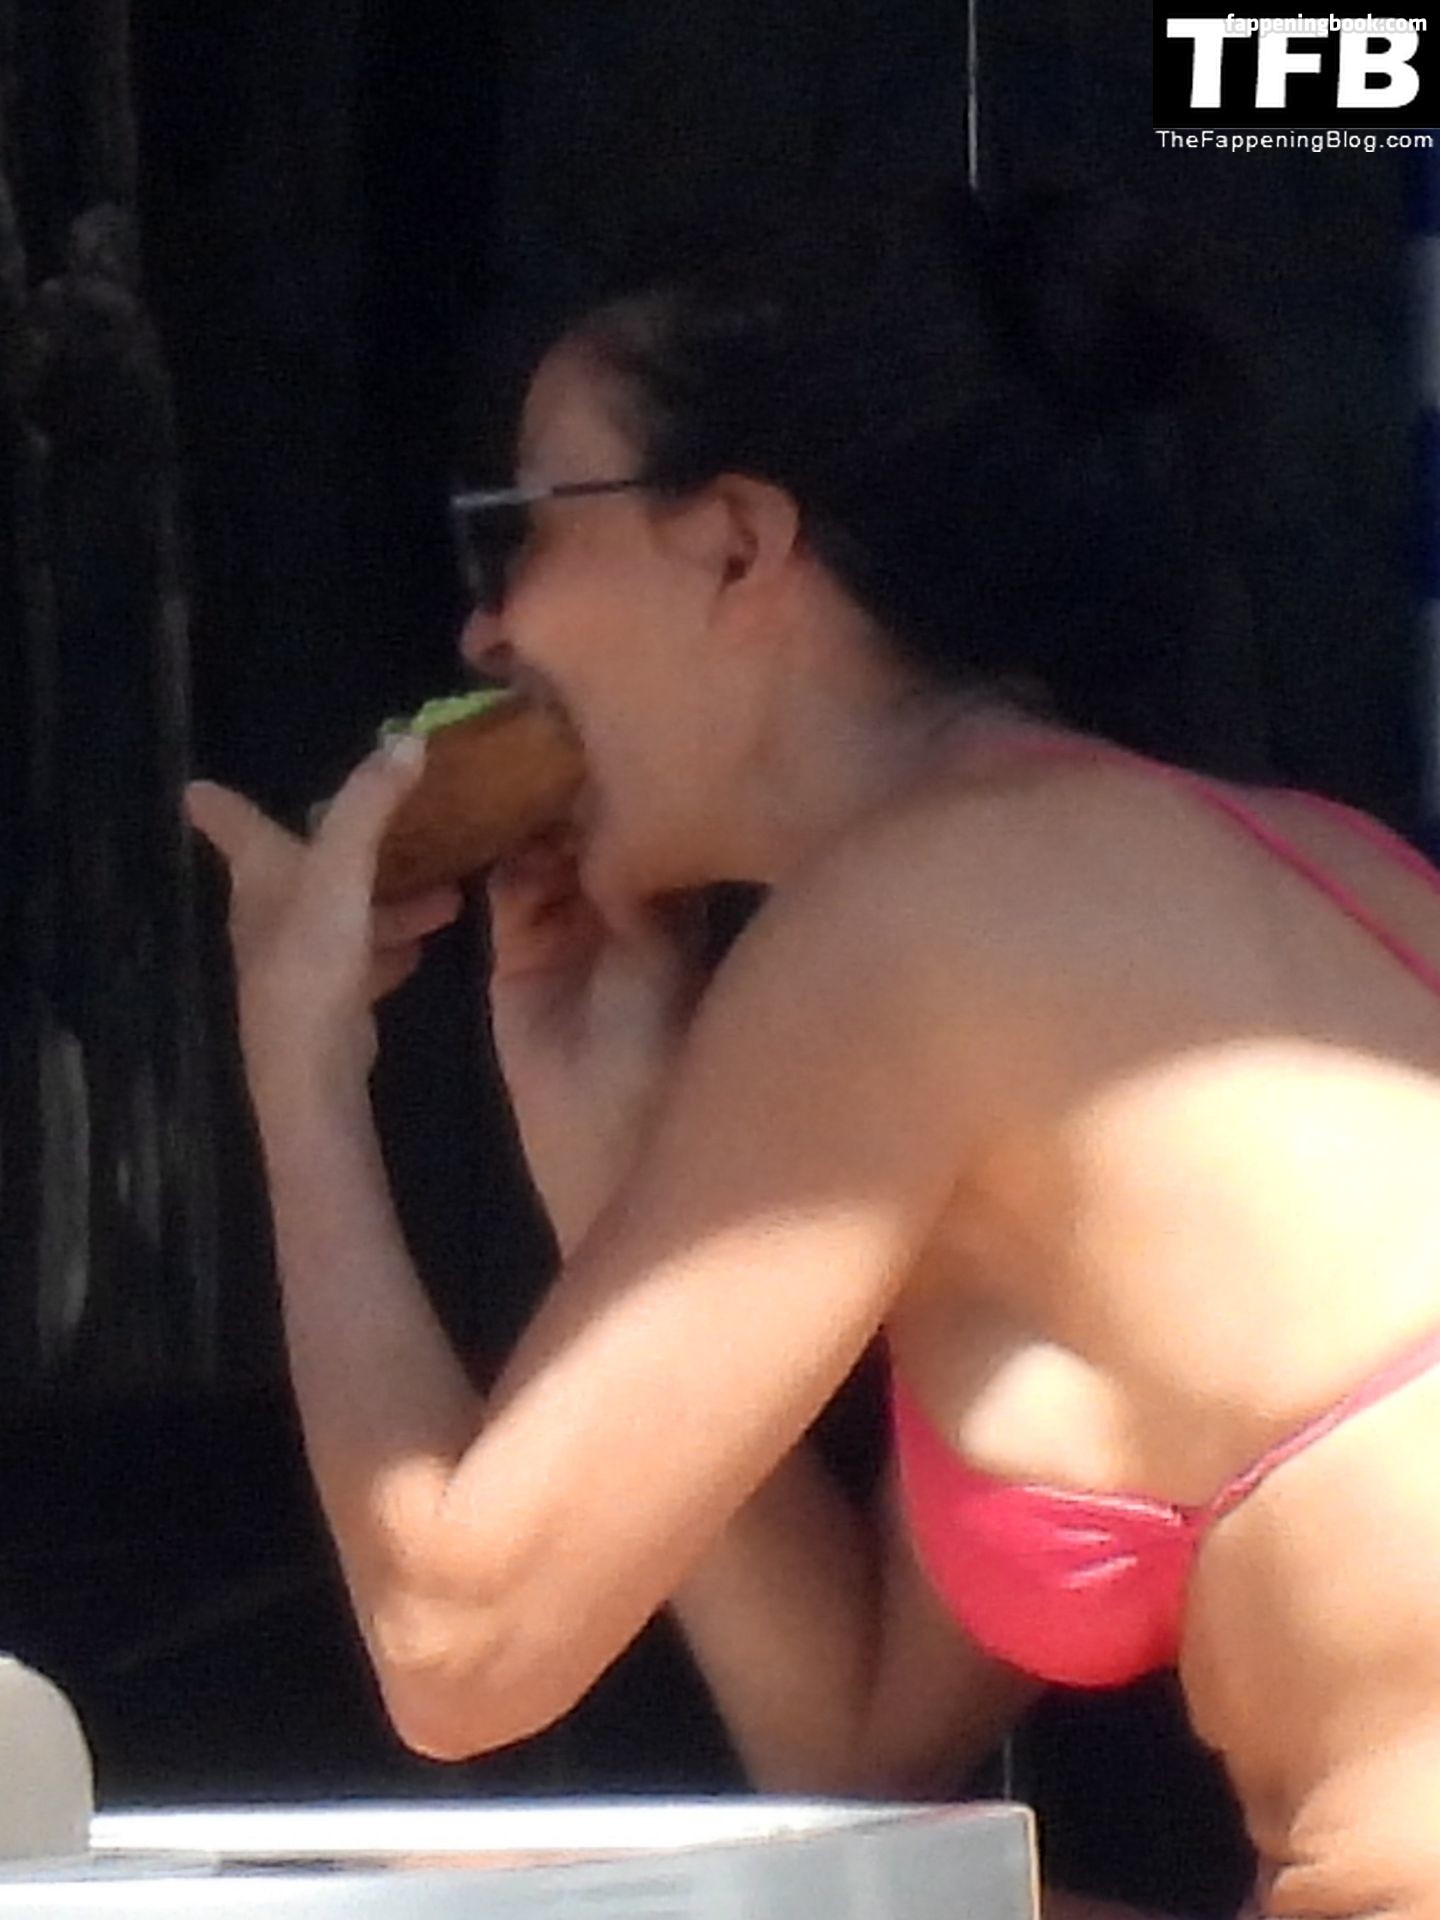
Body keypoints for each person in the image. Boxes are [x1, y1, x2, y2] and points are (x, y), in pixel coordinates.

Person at [186, 184, 1440, 1918]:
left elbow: (456, 1649)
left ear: (734, 545)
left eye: (517, 533)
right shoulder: (1262, 869)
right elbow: (852, 1742)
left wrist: (301, 1070)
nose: (485, 634)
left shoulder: (919, 912)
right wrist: (608, 1138)